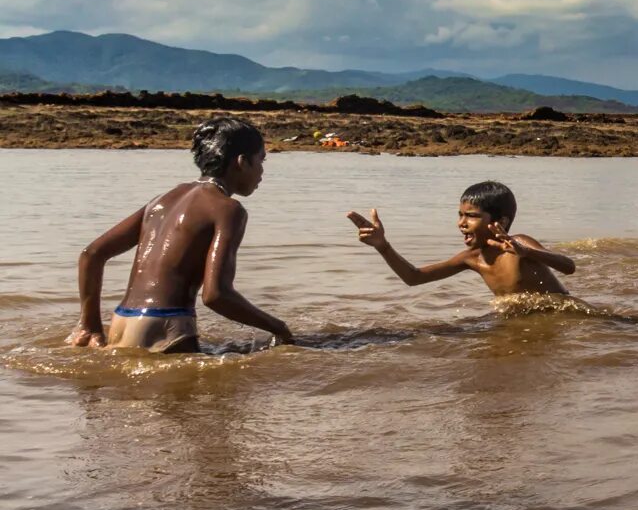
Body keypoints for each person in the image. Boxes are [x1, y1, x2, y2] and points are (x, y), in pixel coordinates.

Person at [68, 115, 293, 352]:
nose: (262, 172)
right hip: (167, 325)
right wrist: (278, 327)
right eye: (261, 160)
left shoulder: (163, 200)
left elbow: (91, 254)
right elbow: (216, 295)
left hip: (121, 323)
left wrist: (90, 324)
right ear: (241, 162)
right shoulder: (228, 209)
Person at [346, 180, 575, 297]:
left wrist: (529, 253)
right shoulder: (471, 259)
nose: (461, 223)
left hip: (562, 312)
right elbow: (413, 278)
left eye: (472, 216)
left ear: (501, 223)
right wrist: (382, 246)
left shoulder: (519, 243)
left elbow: (568, 266)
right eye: (460, 215)